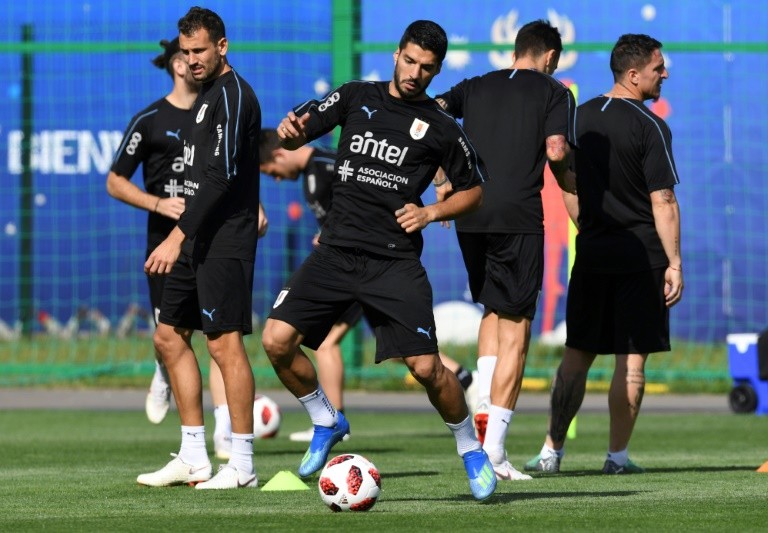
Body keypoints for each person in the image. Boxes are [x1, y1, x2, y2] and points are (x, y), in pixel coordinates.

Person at [261, 20, 497, 501]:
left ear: (437, 70)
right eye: (409, 61)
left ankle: (472, 450)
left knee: (428, 369)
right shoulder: (354, 96)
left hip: (393, 262)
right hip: (335, 254)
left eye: (427, 68)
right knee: (276, 341)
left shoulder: (441, 126)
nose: (415, 73)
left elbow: (475, 190)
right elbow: (296, 134)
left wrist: (432, 210)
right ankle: (326, 419)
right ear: (396, 55)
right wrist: (289, 135)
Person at [524, 33, 683, 475]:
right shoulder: (651, 126)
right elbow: (664, 201)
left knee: (577, 354)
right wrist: (674, 263)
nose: (664, 74)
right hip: (641, 257)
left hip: (593, 252)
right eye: (658, 69)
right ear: (633, 75)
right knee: (631, 362)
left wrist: (588, 225)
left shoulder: (581, 117)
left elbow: (564, 181)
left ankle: (551, 452)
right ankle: (616, 458)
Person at [259, 129, 478, 442]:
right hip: (349, 264)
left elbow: (365, 204)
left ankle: (332, 418)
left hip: (363, 264)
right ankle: (463, 378)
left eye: (271, 173)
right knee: (401, 348)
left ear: (279, 155)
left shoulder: (324, 169)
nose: (277, 179)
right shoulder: (316, 170)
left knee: (328, 341)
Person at [106, 37, 265, 461]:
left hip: (209, 237)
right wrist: (160, 206)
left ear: (220, 48)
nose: (192, 62)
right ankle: (190, 448)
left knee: (218, 341)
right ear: (175, 64)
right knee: (170, 336)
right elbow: (115, 180)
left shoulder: (226, 99)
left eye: (198, 53)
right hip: (171, 240)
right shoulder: (156, 118)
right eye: (186, 55)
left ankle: (229, 443)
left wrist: (254, 203)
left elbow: (228, 171)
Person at [435, 19, 576, 481]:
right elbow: (556, 151)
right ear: (550, 58)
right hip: (517, 218)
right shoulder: (554, 93)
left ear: (516, 50)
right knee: (517, 326)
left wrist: (441, 178)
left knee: (493, 310)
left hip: (470, 214)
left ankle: (483, 414)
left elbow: (431, 113)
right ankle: (493, 451)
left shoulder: (474, 85)